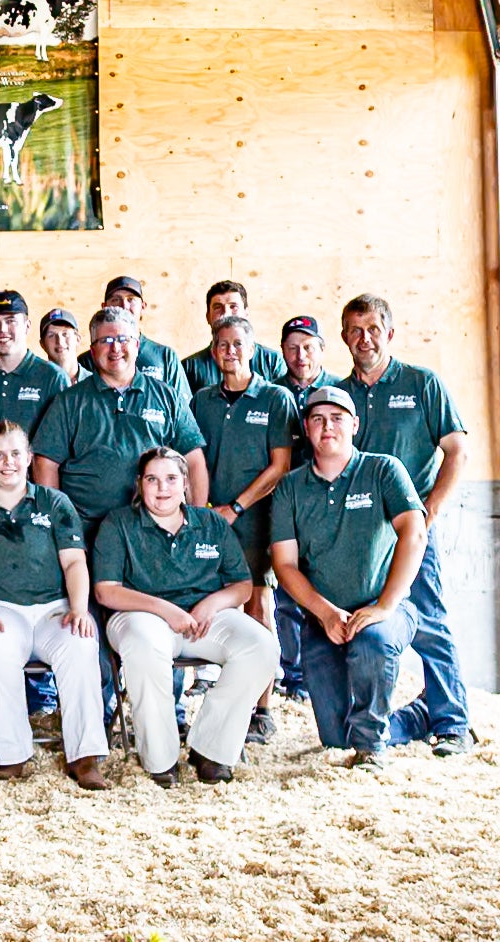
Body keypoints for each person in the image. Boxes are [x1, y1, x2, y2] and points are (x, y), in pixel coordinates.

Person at [335, 294, 474, 756]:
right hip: (357, 538)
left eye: (373, 329)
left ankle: (453, 723)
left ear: (389, 334)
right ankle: (371, 727)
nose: (364, 338)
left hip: (410, 533)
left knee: (429, 621)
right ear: (344, 338)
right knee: (363, 628)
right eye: (355, 330)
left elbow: (457, 451)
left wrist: (429, 512)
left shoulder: (422, 383)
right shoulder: (339, 395)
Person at [94, 447, 278, 786]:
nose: (162, 488)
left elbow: (241, 585)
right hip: (139, 614)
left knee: (261, 646)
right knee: (144, 646)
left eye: (170, 479)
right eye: (152, 479)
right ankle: (161, 760)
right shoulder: (119, 523)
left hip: (201, 616)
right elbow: (106, 590)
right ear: (140, 484)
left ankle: (211, 748)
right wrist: (165, 609)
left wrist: (212, 605)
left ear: (185, 484)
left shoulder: (209, 523)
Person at [270, 386, 427, 773]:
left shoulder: (383, 469)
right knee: (336, 738)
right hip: (324, 619)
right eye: (318, 419)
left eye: (337, 418)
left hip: (385, 610)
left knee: (371, 642)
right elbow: (285, 564)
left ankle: (373, 749)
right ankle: (414, 719)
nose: (328, 427)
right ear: (306, 428)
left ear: (354, 425)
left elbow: (415, 532)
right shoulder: (290, 487)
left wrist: (384, 606)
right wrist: (324, 614)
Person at [0, 422, 108, 789]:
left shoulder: (54, 503)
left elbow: (74, 563)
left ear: (29, 459)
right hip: (2, 608)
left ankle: (85, 757)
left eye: (16, 454)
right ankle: (13, 755)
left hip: (55, 608)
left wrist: (79, 609)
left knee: (82, 643)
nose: (9, 462)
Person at [190, 315, 295, 742]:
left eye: (237, 344)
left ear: (253, 350)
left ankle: (262, 708)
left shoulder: (275, 399)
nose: (229, 351)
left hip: (255, 521)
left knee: (258, 607)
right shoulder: (201, 401)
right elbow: (191, 459)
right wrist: (202, 511)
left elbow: (280, 466)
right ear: (213, 351)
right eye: (222, 344)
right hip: (208, 521)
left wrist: (235, 506)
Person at [33, 307, 209, 537]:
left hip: (156, 531)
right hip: (87, 534)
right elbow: (44, 464)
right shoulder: (69, 401)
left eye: (123, 339)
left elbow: (193, 461)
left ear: (136, 346)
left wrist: (194, 522)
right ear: (93, 351)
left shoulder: (167, 397)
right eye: (105, 340)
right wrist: (62, 529)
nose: (115, 348)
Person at [272, 315, 338, 701]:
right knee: (286, 593)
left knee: (325, 590)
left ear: (322, 350)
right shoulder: (273, 394)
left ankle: (323, 675)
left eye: (309, 347)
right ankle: (295, 677)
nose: (301, 355)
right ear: (282, 352)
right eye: (293, 348)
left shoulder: (338, 393)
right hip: (284, 506)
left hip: (328, 508)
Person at [0, 291, 69, 438]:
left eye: (11, 321)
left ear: (27, 326)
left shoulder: (53, 378)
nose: (2, 330)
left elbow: (63, 440)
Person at [83, 276, 191, 404]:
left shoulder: (165, 356)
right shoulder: (89, 359)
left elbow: (182, 408)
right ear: (104, 307)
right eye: (115, 299)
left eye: (131, 299)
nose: (124, 305)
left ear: (143, 307)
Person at [180, 280, 288, 394]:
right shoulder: (189, 367)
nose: (226, 313)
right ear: (208, 316)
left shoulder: (273, 361)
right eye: (218, 307)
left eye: (233, 307)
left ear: (246, 313)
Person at [39, 308, 87, 385]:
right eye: (51, 335)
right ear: (42, 344)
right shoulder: (33, 384)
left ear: (77, 339)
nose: (60, 341)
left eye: (65, 334)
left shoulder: (94, 384)